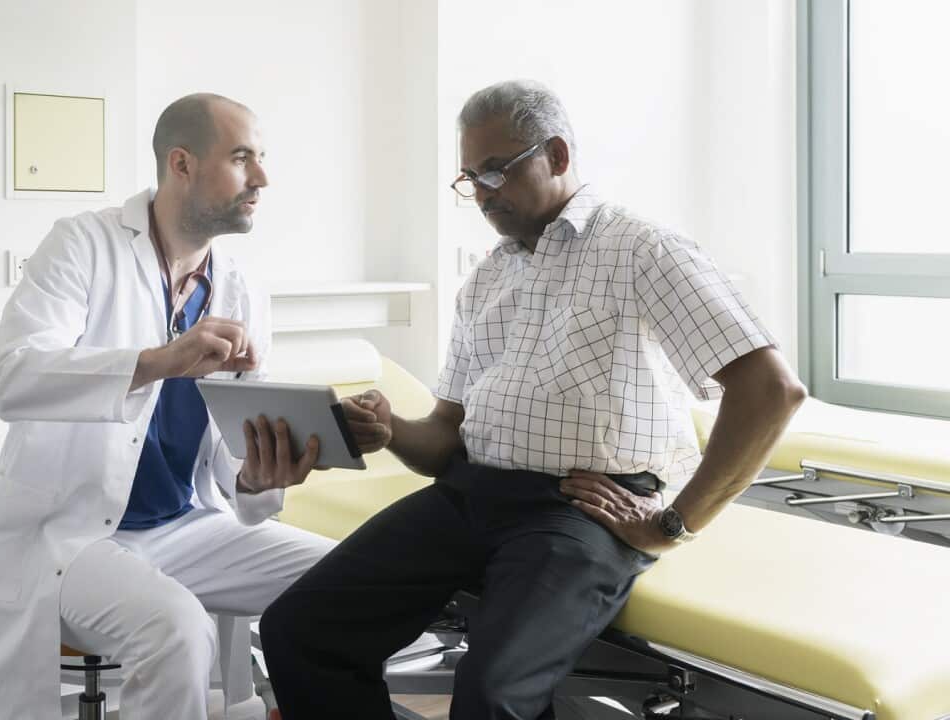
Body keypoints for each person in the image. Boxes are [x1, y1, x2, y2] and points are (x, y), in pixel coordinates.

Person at [259, 79, 807, 719]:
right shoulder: (488, 277)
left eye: (496, 170)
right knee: (300, 629)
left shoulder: (641, 249)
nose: (482, 193)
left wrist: (675, 524)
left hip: (578, 510)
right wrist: (392, 430)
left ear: (557, 154)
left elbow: (771, 391)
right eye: (470, 177)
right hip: (470, 494)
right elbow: (443, 437)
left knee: (493, 693)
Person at [0, 93, 333, 720]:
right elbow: (11, 375)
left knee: (349, 578)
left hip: (189, 525)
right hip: (73, 538)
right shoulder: (82, 244)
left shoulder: (241, 288)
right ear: (181, 164)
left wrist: (257, 479)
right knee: (179, 630)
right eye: (242, 158)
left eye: (261, 158)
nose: (261, 177)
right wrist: (158, 360)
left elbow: (237, 469)